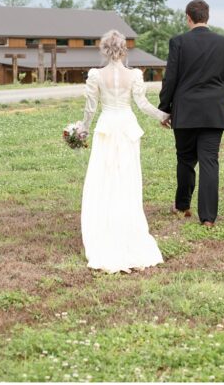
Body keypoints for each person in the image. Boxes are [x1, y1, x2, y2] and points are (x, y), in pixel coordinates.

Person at [79, 29, 169, 274]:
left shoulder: (96, 75)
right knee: (127, 177)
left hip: (107, 127)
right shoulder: (135, 75)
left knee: (104, 176)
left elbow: (90, 108)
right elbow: (142, 104)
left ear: (104, 49)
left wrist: (82, 129)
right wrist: (162, 115)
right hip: (127, 127)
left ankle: (105, 225)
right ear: (123, 49)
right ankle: (126, 224)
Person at [157, 0, 224, 227]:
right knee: (209, 162)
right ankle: (208, 218)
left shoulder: (178, 42)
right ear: (208, 16)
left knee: (185, 160)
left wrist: (164, 109)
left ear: (188, 17)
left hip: (185, 112)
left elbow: (170, 79)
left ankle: (183, 205)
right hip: (214, 113)